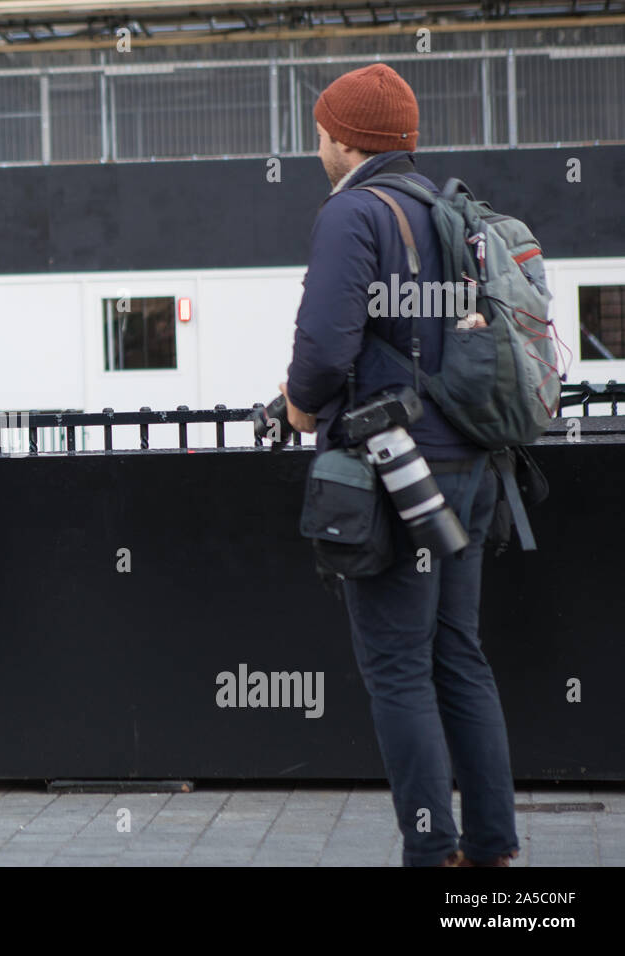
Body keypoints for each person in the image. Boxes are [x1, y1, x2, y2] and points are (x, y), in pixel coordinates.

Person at [281, 64, 521, 867]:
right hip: (474, 462)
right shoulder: (447, 209)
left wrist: (300, 401)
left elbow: (323, 344)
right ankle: (490, 847)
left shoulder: (354, 212)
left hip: (397, 469)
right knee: (459, 654)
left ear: (349, 141)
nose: (316, 145)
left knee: (397, 669)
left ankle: (432, 853)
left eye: (321, 133)